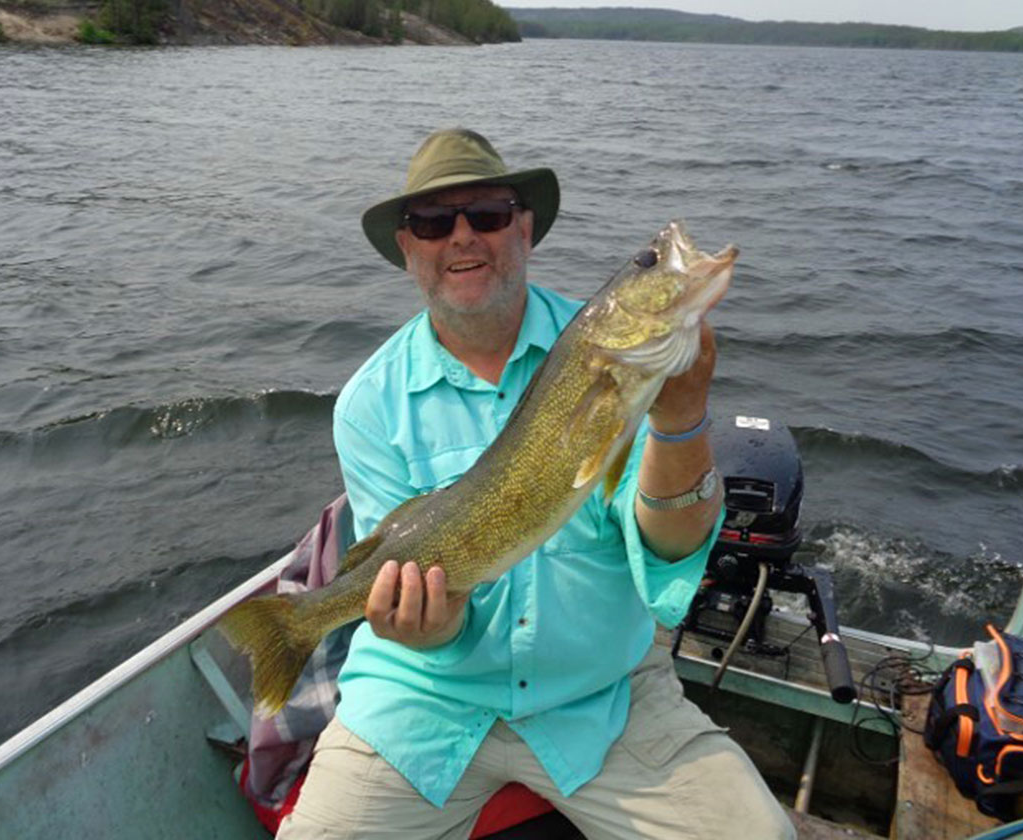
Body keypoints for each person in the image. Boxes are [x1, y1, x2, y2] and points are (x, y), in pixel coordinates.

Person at [277, 128, 795, 840]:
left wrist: (681, 417)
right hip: (424, 700)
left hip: (600, 695)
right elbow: (418, 604)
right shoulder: (369, 404)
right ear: (408, 249)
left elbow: (670, 545)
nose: (462, 238)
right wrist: (428, 627)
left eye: (486, 214)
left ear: (523, 227)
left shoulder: (615, 366)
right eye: (433, 223)